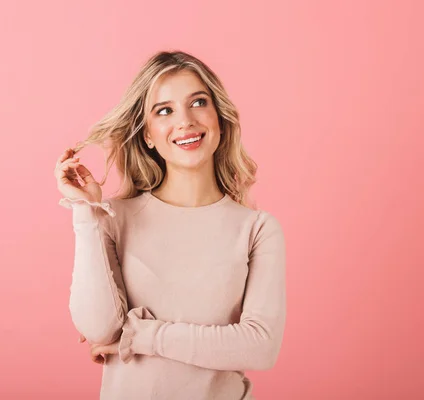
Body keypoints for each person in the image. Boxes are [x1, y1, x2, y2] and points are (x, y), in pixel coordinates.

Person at [53, 50, 286, 400]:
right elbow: (99, 328)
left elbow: (260, 347)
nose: (185, 121)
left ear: (219, 118)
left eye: (198, 102)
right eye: (164, 110)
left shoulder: (257, 229)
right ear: (147, 135)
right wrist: (85, 209)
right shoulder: (113, 217)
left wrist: (141, 336)